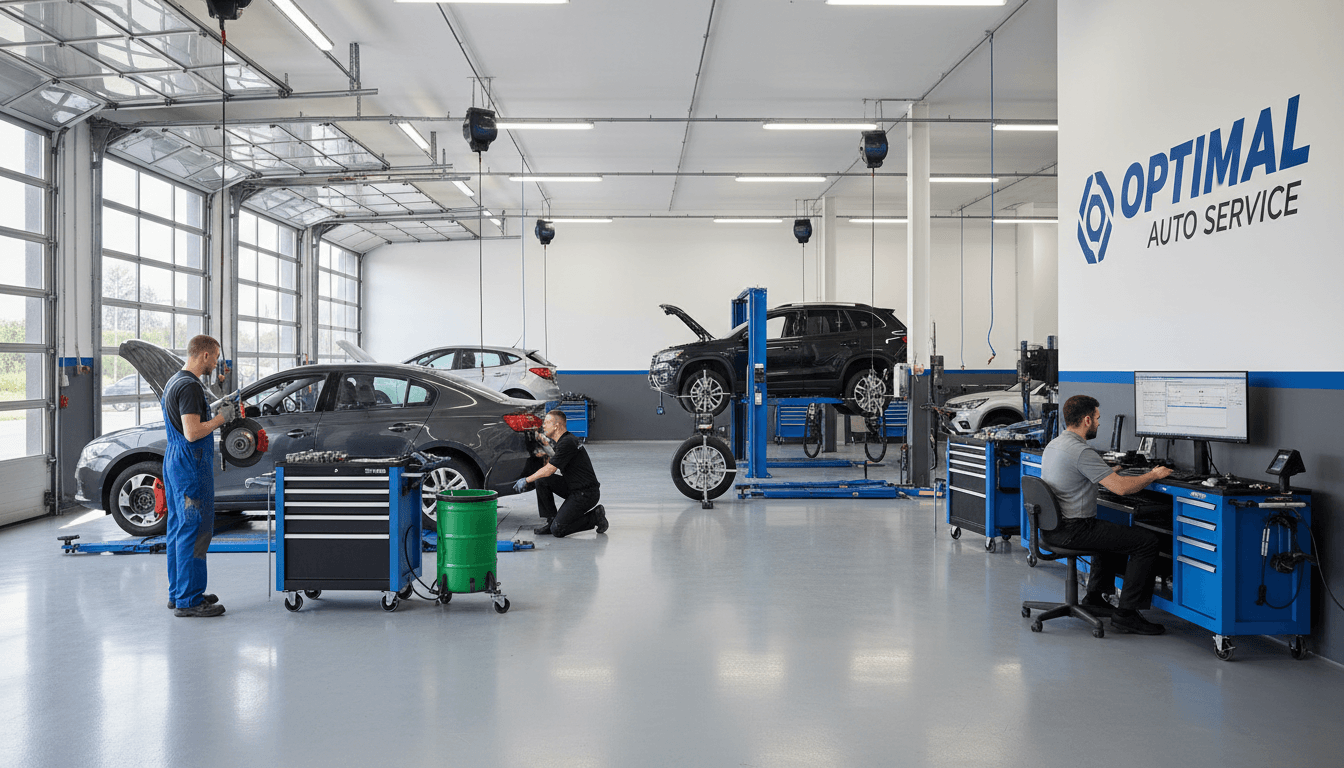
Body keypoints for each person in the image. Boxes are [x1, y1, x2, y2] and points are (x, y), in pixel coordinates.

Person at [1040, 394, 1173, 635]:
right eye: (1099, 418)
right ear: (1087, 420)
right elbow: (1122, 488)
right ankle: (1127, 614)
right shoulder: (1081, 451)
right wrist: (1152, 475)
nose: (1100, 423)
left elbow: (1078, 472)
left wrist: (1109, 471)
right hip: (1074, 531)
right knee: (1147, 542)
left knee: (1108, 530)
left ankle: (1094, 597)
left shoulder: (1056, 444)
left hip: (1053, 529)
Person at [162, 335, 237, 617]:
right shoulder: (190, 387)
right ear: (204, 355)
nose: (217, 362)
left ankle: (179, 592)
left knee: (178, 529)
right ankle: (190, 601)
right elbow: (193, 432)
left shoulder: (174, 381)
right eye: (215, 356)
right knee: (193, 531)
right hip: (190, 465)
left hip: (176, 461)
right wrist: (222, 419)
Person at [513, 410, 608, 538]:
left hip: (585, 494)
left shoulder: (567, 443)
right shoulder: (565, 440)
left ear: (557, 425)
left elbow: (550, 469)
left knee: (558, 530)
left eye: (547, 423)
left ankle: (594, 517)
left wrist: (527, 480)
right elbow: (551, 460)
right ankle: (551, 520)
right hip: (574, 487)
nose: (543, 426)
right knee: (542, 480)